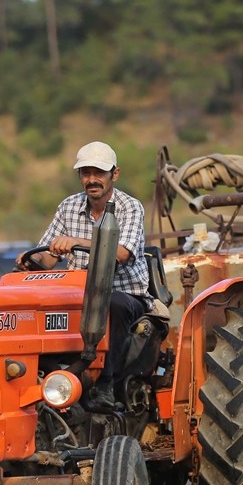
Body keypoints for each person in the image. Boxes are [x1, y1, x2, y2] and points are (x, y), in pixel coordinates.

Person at [16, 141, 149, 411]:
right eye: (85, 173)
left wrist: (75, 241)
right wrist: (30, 260)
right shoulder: (68, 207)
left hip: (125, 293)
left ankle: (105, 384)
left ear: (115, 174)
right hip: (76, 295)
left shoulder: (130, 208)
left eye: (98, 172)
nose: (92, 180)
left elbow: (122, 254)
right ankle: (37, 381)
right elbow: (48, 257)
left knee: (113, 304)